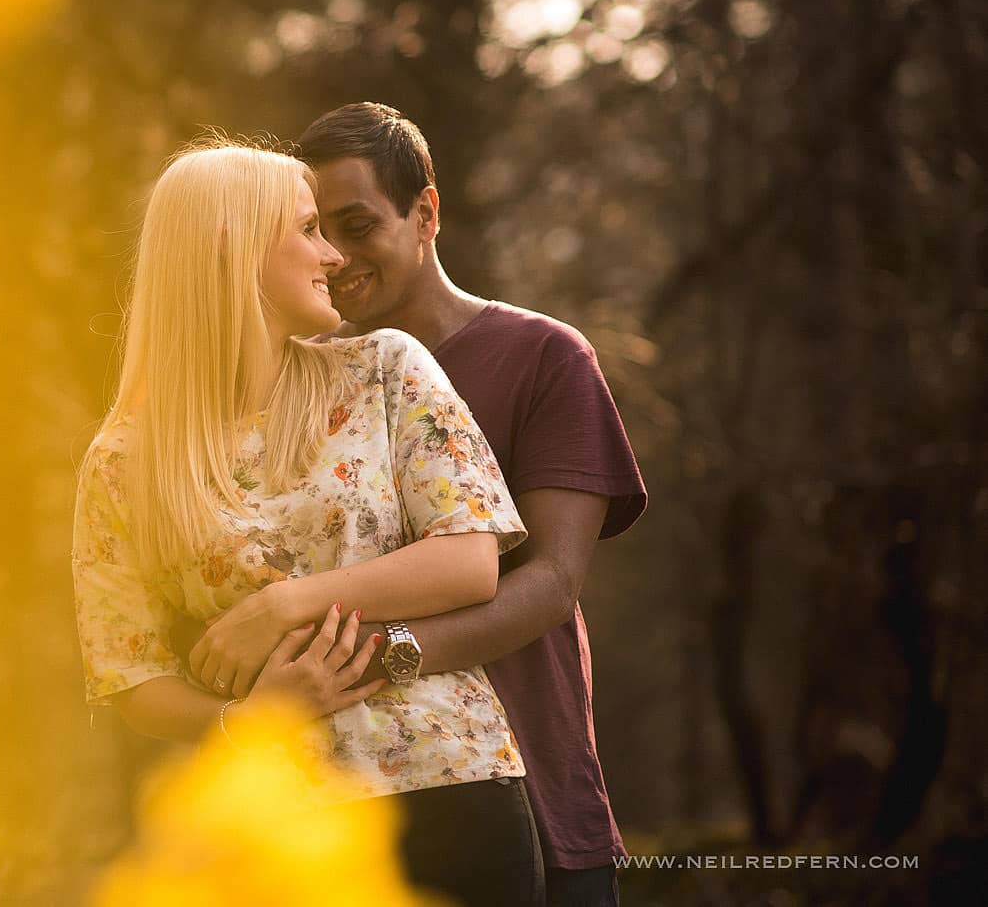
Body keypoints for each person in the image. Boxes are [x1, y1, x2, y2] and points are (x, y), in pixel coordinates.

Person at [71, 139, 544, 907]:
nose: (332, 256)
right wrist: (247, 721)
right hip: (268, 837)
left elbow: (469, 561)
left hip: (449, 788)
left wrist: (283, 606)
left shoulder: (387, 370)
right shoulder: (123, 459)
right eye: (307, 230)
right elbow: (131, 676)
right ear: (233, 244)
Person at [253, 101, 645, 907]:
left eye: (358, 226)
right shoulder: (293, 382)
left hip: (533, 791)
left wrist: (375, 656)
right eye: (316, 232)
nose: (335, 256)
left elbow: (551, 583)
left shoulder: (545, 357)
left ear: (426, 213)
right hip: (348, 813)